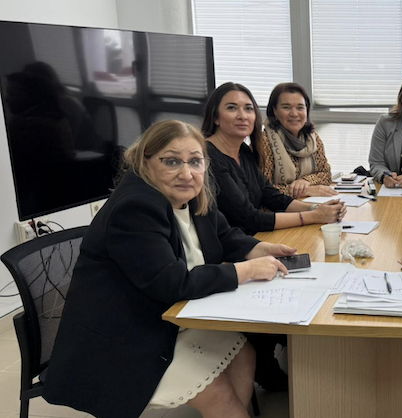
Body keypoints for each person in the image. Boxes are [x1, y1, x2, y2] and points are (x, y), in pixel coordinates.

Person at [43, 120, 296, 418]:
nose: (186, 173)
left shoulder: (192, 194)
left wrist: (258, 249)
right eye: (171, 161)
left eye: (195, 162)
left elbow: (224, 235)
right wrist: (247, 270)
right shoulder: (136, 207)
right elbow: (172, 283)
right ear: (145, 161)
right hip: (123, 337)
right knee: (219, 395)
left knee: (245, 353)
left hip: (164, 317)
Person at [202, 82, 345, 235]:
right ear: (215, 117)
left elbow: (270, 195)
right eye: (231, 108)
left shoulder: (242, 151)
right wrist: (314, 216)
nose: (242, 116)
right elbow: (249, 218)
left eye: (248, 109)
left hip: (253, 238)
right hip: (229, 249)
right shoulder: (208, 157)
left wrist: (316, 208)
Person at [258, 82, 337, 198]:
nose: (294, 114)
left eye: (300, 107)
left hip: (308, 204)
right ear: (274, 110)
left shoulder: (313, 139)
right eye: (286, 107)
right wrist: (305, 190)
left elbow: (326, 174)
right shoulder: (263, 142)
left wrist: (306, 181)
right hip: (277, 211)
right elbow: (263, 189)